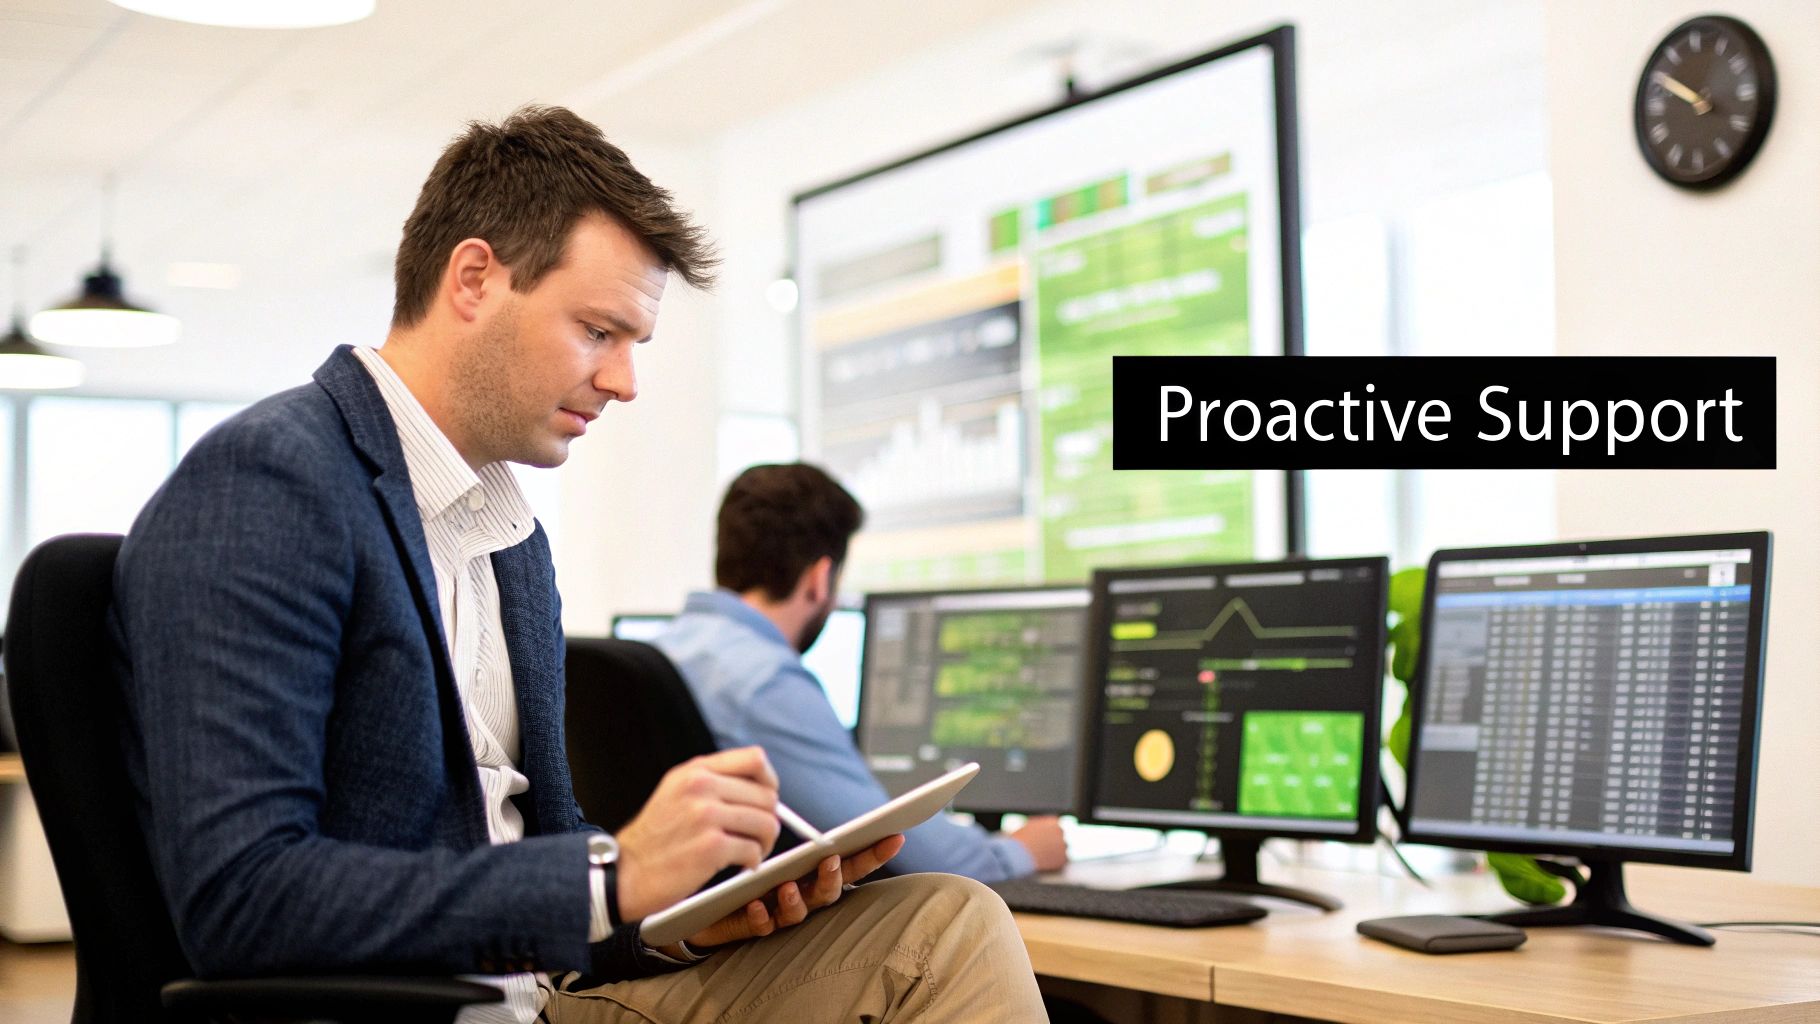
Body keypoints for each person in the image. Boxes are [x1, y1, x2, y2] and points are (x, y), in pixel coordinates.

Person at [109, 105, 1044, 1024]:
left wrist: (677, 918)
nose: (624, 381)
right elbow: (241, 899)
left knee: (947, 924)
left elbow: (549, 870)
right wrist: (613, 875)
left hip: (550, 998)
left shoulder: (510, 543)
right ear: (474, 279)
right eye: (599, 332)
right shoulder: (270, 482)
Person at [656, 463, 1069, 882]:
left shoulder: (662, 650)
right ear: (819, 579)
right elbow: (895, 843)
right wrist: (1021, 850)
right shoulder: (763, 682)